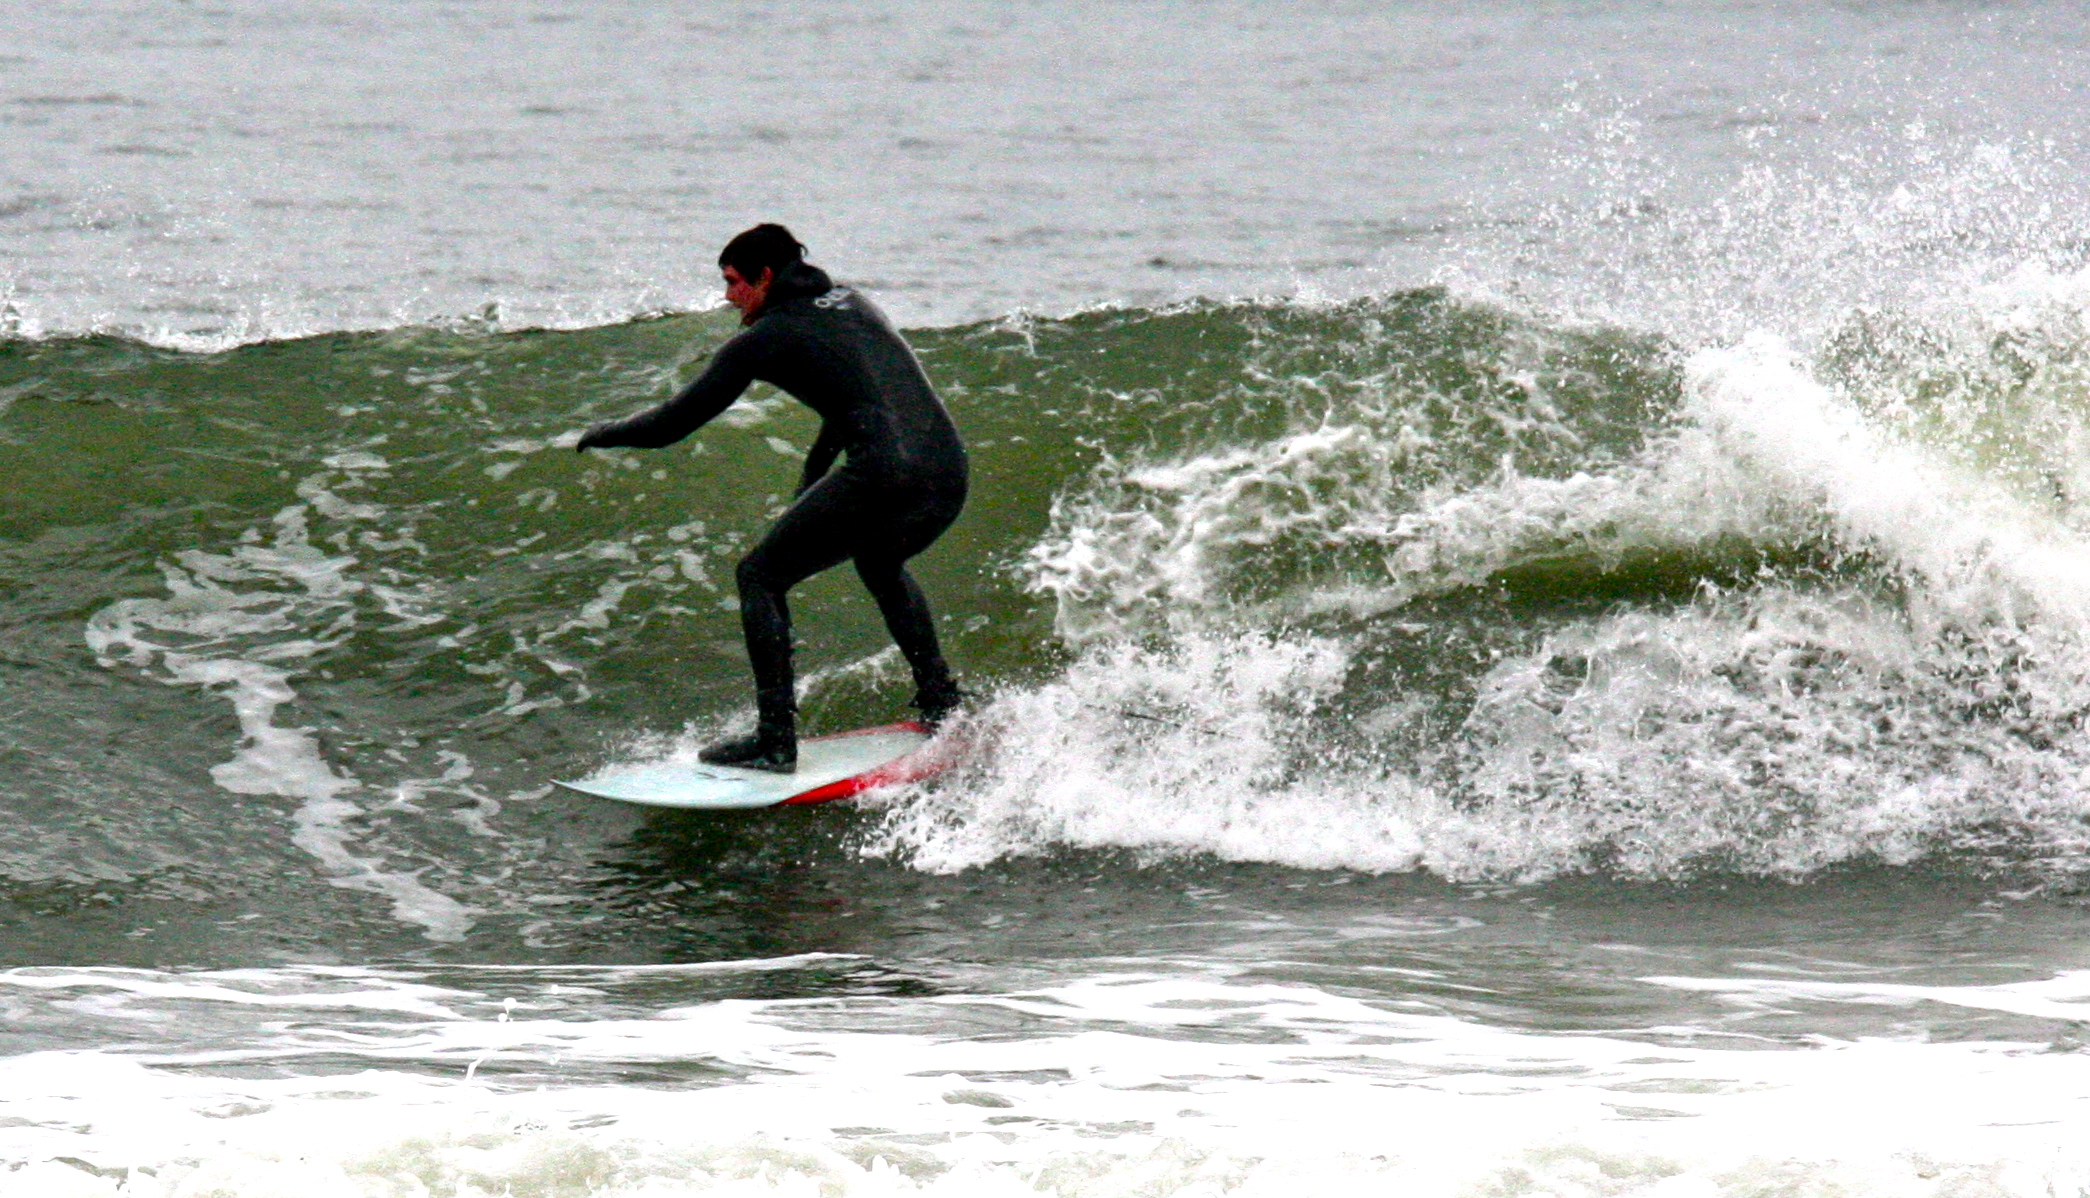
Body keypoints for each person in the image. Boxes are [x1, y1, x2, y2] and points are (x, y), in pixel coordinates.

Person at [576, 223, 968, 773]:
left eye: (733, 281)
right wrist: (814, 476)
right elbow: (855, 397)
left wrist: (603, 432)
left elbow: (671, 424)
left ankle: (774, 741)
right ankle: (941, 700)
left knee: (759, 575)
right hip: (947, 469)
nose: (728, 296)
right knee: (879, 561)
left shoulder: (765, 337)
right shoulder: (852, 302)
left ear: (765, 277)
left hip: (886, 472)